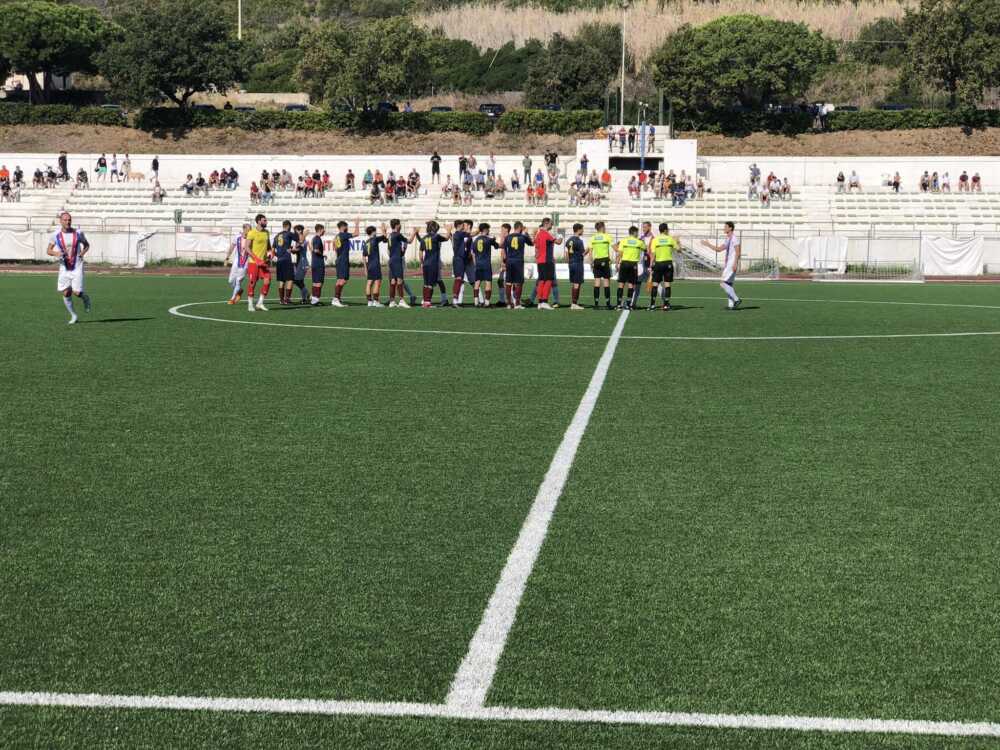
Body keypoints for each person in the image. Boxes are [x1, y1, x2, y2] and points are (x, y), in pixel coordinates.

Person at [46, 212, 91, 324]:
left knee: (77, 292)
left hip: (77, 266)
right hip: (64, 267)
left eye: (69, 220)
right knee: (66, 293)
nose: (68, 222)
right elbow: (48, 250)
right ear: (60, 221)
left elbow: (87, 245)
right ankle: (74, 316)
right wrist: (57, 253)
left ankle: (85, 298)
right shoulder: (55, 235)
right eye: (65, 220)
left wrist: (82, 253)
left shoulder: (78, 233)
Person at [701, 221, 742, 310]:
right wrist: (708, 244)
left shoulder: (734, 238)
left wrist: (735, 263)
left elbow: (738, 252)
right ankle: (731, 305)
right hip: (729, 263)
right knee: (729, 284)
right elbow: (719, 249)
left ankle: (736, 299)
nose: (724, 228)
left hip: (732, 263)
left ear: (730, 228)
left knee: (722, 283)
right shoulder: (728, 239)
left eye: (725, 226)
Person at [415, 220, 451, 308]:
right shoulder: (436, 237)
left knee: (428, 283)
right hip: (434, 262)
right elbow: (446, 238)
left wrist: (422, 262)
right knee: (433, 282)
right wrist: (449, 230)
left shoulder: (425, 238)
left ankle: (428, 300)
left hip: (426, 263)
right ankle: (428, 301)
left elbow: (421, 245)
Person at [501, 220, 532, 309]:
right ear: (520, 228)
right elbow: (531, 243)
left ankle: (509, 304)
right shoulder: (522, 236)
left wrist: (504, 261)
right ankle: (517, 304)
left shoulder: (508, 237)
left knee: (508, 282)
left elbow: (503, 249)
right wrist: (526, 233)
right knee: (519, 283)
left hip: (509, 261)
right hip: (518, 261)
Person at [648, 223, 678, 311]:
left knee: (655, 284)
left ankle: (652, 305)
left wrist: (651, 265)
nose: (668, 230)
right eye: (667, 229)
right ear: (665, 230)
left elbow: (653, 254)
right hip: (668, 263)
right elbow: (679, 250)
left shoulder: (655, 240)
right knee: (667, 284)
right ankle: (666, 305)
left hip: (658, 263)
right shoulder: (670, 239)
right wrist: (677, 242)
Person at [245, 213, 272, 311]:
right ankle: (250, 305)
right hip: (253, 262)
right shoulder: (251, 232)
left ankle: (260, 303)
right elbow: (247, 248)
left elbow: (269, 247)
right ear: (259, 221)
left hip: (263, 262)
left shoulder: (266, 232)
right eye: (264, 220)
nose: (266, 222)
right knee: (252, 283)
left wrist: (270, 254)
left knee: (268, 280)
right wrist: (256, 259)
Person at [532, 218, 560, 310]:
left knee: (541, 280)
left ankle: (540, 302)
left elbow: (536, 247)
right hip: (547, 260)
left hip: (540, 261)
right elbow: (558, 242)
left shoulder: (538, 234)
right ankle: (544, 301)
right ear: (546, 223)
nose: (551, 226)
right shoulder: (546, 234)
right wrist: (561, 237)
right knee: (548, 280)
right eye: (551, 224)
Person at [331, 219, 360, 307]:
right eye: (346, 226)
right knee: (343, 279)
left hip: (339, 259)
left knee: (339, 279)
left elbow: (335, 247)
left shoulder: (336, 237)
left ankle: (336, 298)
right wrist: (357, 224)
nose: (347, 228)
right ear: (343, 227)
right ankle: (336, 298)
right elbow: (356, 234)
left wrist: (338, 257)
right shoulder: (343, 235)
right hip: (343, 259)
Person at [614, 226, 644, 310]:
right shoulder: (639, 242)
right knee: (631, 284)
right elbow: (645, 249)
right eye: (637, 232)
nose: (638, 234)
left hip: (624, 264)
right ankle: (628, 304)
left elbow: (619, 253)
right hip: (633, 265)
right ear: (634, 233)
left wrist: (616, 264)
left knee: (621, 284)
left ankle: (619, 305)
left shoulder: (623, 241)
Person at [586, 221, 614, 309]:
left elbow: (590, 252)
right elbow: (615, 248)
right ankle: (608, 304)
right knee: (606, 282)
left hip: (596, 261)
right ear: (602, 227)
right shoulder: (607, 236)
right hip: (605, 260)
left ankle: (596, 304)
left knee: (597, 282)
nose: (605, 228)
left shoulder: (592, 238)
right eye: (604, 227)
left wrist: (591, 262)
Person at [471, 222, 498, 307]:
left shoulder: (475, 240)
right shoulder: (488, 239)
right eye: (488, 229)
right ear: (485, 230)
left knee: (477, 282)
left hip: (478, 264)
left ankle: (475, 302)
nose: (489, 231)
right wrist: (494, 240)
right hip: (486, 263)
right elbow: (496, 246)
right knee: (488, 282)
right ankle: (487, 303)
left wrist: (475, 262)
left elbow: (473, 253)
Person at [386, 219, 411, 308]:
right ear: (396, 225)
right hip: (397, 259)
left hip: (391, 260)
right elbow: (409, 241)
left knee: (393, 281)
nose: (400, 226)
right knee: (399, 280)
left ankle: (392, 301)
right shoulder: (397, 235)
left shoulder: (390, 236)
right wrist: (415, 233)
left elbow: (388, 250)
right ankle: (401, 300)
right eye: (399, 224)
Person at [225, 224, 251, 304]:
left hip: (245, 262)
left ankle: (232, 299)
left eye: (250, 230)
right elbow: (232, 247)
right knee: (230, 281)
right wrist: (227, 257)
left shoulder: (251, 239)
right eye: (248, 229)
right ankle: (239, 290)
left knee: (238, 281)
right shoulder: (237, 237)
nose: (249, 231)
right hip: (236, 262)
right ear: (244, 229)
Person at [273, 219, 297, 305]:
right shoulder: (289, 233)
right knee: (290, 279)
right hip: (287, 259)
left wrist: (278, 255)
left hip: (279, 260)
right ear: (288, 226)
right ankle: (287, 299)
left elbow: (273, 249)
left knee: (282, 280)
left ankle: (281, 300)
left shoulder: (277, 236)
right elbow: (299, 239)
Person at [362, 224, 387, 306]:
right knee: (377, 282)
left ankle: (369, 301)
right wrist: (383, 229)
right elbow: (384, 237)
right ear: (373, 232)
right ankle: (376, 301)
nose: (376, 232)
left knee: (369, 283)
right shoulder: (375, 239)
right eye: (375, 231)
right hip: (375, 264)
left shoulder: (366, 242)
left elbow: (364, 256)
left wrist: (365, 268)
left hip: (369, 265)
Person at [450, 219, 473, 307]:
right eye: (463, 225)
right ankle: (455, 300)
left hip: (459, 259)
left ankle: (455, 300)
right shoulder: (459, 233)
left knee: (459, 279)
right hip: (459, 259)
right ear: (460, 226)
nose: (464, 226)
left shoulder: (457, 234)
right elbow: (471, 234)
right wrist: (480, 229)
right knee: (459, 279)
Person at [565, 223, 586, 310]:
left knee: (574, 283)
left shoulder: (569, 240)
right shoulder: (579, 241)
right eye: (582, 229)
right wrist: (588, 250)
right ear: (579, 230)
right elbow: (582, 253)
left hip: (571, 263)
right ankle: (574, 304)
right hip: (577, 262)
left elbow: (567, 252)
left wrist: (568, 262)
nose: (583, 231)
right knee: (577, 283)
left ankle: (573, 302)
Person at [309, 223, 327, 305]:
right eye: (323, 229)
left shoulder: (313, 238)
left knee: (315, 282)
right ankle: (316, 300)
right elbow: (316, 250)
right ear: (320, 230)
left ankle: (313, 299)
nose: (324, 231)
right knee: (319, 282)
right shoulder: (317, 239)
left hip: (314, 262)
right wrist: (322, 255)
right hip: (319, 263)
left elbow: (312, 249)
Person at [292, 224, 310, 303]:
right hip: (299, 262)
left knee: (296, 280)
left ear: (299, 231)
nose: (294, 232)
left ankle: (307, 294)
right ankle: (304, 298)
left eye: (295, 230)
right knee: (300, 281)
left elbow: (297, 249)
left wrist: (290, 250)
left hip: (302, 263)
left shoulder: (302, 239)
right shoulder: (299, 239)